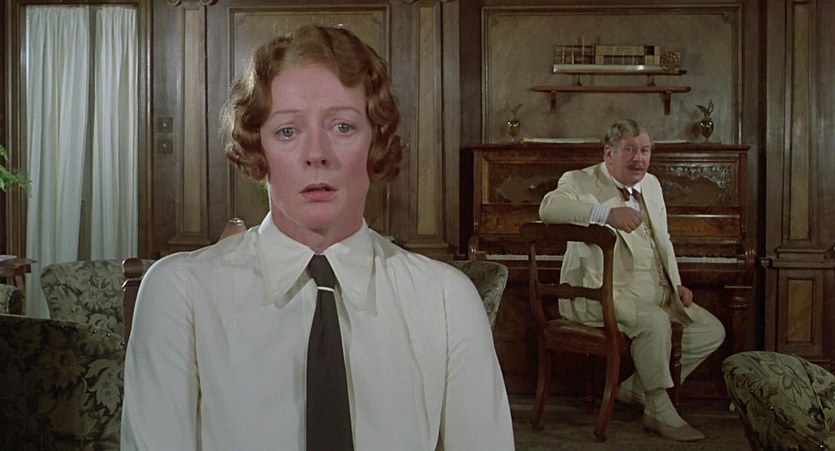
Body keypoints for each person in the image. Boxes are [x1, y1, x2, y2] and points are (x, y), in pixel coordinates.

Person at [121, 25, 514, 450]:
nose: (316, 154)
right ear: (259, 147)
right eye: (287, 131)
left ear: (376, 142)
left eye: (342, 126)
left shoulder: (445, 301)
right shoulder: (182, 293)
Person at [538, 119, 725, 442]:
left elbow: (663, 239)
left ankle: (636, 389)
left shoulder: (651, 184)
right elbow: (548, 208)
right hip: (601, 294)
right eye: (629, 150)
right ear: (609, 153)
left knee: (710, 330)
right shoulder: (579, 180)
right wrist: (606, 214)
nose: (639, 158)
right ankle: (658, 409)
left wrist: (676, 283)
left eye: (645, 150)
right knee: (655, 322)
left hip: (654, 293)